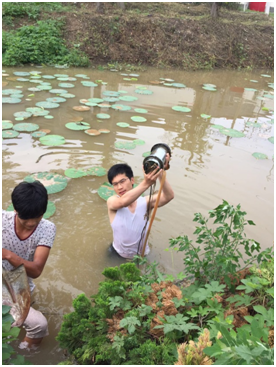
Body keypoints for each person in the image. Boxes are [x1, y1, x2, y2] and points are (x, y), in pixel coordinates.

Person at [2, 181, 56, 349]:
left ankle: (22, 352)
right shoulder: (2, 221)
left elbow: (36, 270)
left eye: (37, 217)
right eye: (26, 217)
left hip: (20, 282)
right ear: (16, 210)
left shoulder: (47, 229)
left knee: (39, 325)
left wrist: (9, 255)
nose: (32, 223)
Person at [107, 153, 174, 259]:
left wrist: (160, 171)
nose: (119, 187)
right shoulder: (112, 202)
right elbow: (123, 202)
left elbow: (169, 196)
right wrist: (146, 183)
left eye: (122, 181)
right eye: (115, 184)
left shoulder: (146, 202)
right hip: (117, 254)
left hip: (142, 255)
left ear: (132, 180)